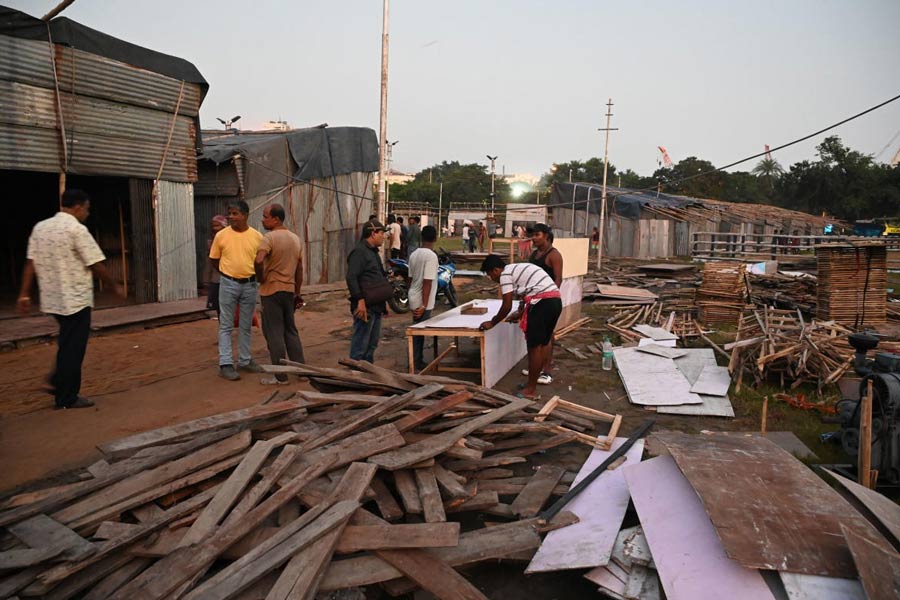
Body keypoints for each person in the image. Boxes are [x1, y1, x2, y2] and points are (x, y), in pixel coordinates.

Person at [17, 189, 125, 409]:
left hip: (53, 300)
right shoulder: (77, 230)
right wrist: (114, 285)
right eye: (86, 209)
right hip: (76, 300)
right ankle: (66, 397)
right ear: (77, 207)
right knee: (74, 349)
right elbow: (95, 263)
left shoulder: (41, 228)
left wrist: (24, 293)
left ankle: (57, 381)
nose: (87, 213)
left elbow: (31, 263)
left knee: (67, 343)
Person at [479, 255, 561, 399]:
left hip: (541, 303)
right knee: (543, 342)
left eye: (490, 274)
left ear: (496, 270)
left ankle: (530, 390)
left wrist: (492, 322)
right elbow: (528, 294)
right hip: (554, 302)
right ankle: (533, 382)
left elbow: (506, 306)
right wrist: (520, 314)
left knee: (534, 347)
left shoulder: (505, 274)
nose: (492, 278)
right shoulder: (516, 269)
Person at [209, 200, 264, 381]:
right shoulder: (221, 236)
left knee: (245, 325)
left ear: (245, 215)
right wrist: (227, 274)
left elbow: (260, 261)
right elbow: (214, 260)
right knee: (225, 325)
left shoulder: (256, 237)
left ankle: (245, 360)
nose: (231, 217)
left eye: (235, 214)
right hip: (228, 284)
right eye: (230, 214)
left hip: (250, 285)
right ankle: (225, 364)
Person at [254, 203, 304, 385]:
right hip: (288, 291)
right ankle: (302, 372)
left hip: (271, 291)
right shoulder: (295, 239)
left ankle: (280, 376)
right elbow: (299, 269)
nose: (263, 219)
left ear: (276, 219)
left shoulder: (269, 238)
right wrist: (297, 292)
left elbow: (259, 260)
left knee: (274, 332)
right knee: (291, 331)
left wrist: (260, 277)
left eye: (265, 216)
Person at [526, 223, 564, 384]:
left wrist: (550, 297)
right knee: (537, 335)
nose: (534, 238)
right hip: (534, 299)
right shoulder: (534, 255)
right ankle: (537, 366)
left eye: (537, 235)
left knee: (547, 336)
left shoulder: (554, 255)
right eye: (533, 235)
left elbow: (558, 278)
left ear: (547, 236)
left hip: (548, 300)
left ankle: (546, 370)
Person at [346, 220, 389, 362]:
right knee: (360, 345)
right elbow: (352, 277)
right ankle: (355, 376)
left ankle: (367, 374)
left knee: (371, 344)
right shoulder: (359, 252)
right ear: (373, 233)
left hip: (376, 306)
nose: (384, 236)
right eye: (381, 233)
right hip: (365, 307)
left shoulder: (373, 253)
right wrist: (360, 301)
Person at [408, 225, 439, 371]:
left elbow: (410, 278)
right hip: (422, 299)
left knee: (417, 332)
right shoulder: (431, 256)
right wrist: (424, 305)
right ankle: (415, 363)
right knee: (418, 334)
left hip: (414, 295)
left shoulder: (414, 254)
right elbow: (428, 281)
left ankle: (416, 361)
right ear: (435, 238)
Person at [204, 215, 228, 318]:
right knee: (219, 307)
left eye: (217, 226)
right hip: (216, 279)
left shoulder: (229, 240)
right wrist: (206, 280)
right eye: (213, 226)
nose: (215, 228)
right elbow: (209, 262)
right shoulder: (211, 241)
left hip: (227, 278)